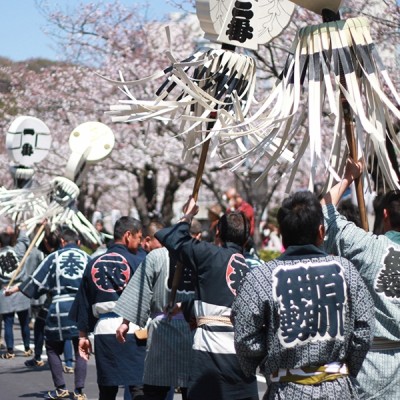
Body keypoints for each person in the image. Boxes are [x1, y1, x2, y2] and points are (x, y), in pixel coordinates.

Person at [231, 190, 374, 399]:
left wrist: (270, 362)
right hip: (338, 388)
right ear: (321, 231)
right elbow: (364, 329)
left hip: (286, 390)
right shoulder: (346, 271)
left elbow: (245, 337)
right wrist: (346, 367)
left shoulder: (260, 277)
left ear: (282, 234)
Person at [154, 197, 258, 400]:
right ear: (246, 239)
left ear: (217, 232)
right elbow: (220, 299)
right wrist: (185, 305)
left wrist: (187, 217)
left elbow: (170, 237)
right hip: (243, 356)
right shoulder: (254, 268)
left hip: (210, 353)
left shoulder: (208, 254)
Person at [321, 158, 400, 400]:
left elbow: (323, 213)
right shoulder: (369, 245)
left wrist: (348, 177)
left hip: (369, 365)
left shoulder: (367, 247)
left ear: (384, 214)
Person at [115, 220, 200, 400]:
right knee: (190, 389)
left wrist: (125, 323)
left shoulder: (155, 256)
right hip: (192, 330)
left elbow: (141, 290)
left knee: (155, 389)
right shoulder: (198, 256)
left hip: (162, 330)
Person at [6, 228, 90, 400]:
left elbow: (36, 281)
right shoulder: (88, 258)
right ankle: (80, 391)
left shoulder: (53, 257)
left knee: (51, 348)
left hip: (59, 307)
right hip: (80, 309)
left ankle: (60, 388)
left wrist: (14, 289)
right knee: (81, 349)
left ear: (62, 242)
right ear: (79, 243)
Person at [69, 216, 145, 400]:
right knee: (138, 387)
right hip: (132, 329)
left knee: (107, 390)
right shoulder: (138, 262)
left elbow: (84, 302)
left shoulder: (93, 262)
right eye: (139, 237)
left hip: (104, 331)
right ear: (128, 235)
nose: (140, 242)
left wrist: (82, 336)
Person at [0, 228, 30, 359]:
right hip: (20, 290)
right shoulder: (17, 251)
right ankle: (27, 348)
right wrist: (22, 229)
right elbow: (24, 240)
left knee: (8, 323)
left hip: (6, 291)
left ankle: (10, 351)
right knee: (24, 322)